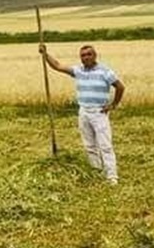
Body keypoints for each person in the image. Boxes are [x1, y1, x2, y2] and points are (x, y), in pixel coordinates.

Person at [39, 42, 126, 183]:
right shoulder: (78, 71)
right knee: (89, 145)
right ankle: (96, 170)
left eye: (88, 54)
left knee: (105, 145)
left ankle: (112, 176)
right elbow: (58, 66)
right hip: (83, 111)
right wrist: (45, 54)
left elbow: (120, 87)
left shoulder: (105, 71)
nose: (85, 58)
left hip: (99, 112)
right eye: (83, 55)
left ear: (95, 55)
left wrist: (113, 105)